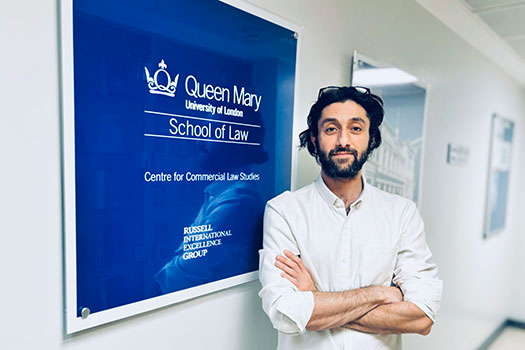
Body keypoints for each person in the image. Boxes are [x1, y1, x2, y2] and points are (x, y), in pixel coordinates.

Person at [258, 86, 442, 349]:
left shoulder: (402, 213)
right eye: (331, 129)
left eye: (356, 128)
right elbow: (285, 314)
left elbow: (421, 318)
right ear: (314, 139)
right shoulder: (284, 211)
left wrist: (315, 299)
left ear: (371, 139)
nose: (343, 140)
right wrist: (381, 293)